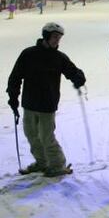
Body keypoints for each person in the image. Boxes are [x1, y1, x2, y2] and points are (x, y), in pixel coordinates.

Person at [7, 22, 86, 177]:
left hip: (47, 105)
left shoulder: (59, 58)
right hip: (29, 103)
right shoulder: (28, 54)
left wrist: (78, 78)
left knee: (46, 137)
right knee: (32, 135)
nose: (57, 40)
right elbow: (15, 77)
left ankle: (57, 165)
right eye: (55, 37)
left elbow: (73, 71)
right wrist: (13, 97)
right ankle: (42, 162)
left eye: (59, 38)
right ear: (46, 36)